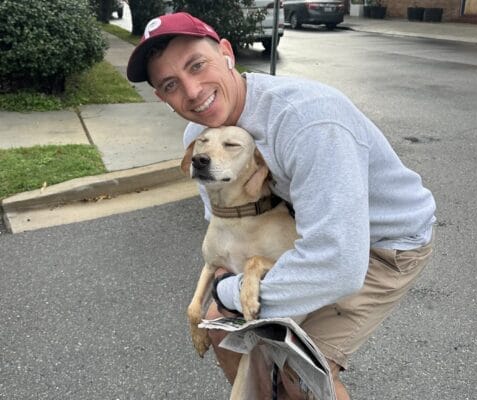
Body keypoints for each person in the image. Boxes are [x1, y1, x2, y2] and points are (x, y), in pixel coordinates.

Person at [127, 12, 436, 399]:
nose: (191, 92)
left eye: (197, 65)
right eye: (171, 84)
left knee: (299, 368)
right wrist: (226, 295)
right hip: (306, 234)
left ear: (227, 53)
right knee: (222, 330)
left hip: (381, 244)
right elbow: (227, 228)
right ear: (162, 97)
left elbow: (339, 263)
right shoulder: (201, 137)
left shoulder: (308, 123)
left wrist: (229, 292)